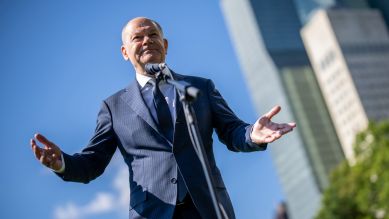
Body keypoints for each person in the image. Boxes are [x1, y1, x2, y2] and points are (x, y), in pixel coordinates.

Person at [30, 17, 296, 219]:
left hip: (208, 208)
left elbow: (233, 131)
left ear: (165, 45)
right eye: (137, 38)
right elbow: (92, 164)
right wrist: (62, 163)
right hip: (152, 211)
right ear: (125, 52)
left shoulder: (199, 88)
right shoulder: (113, 107)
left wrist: (252, 134)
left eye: (153, 35)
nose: (147, 40)